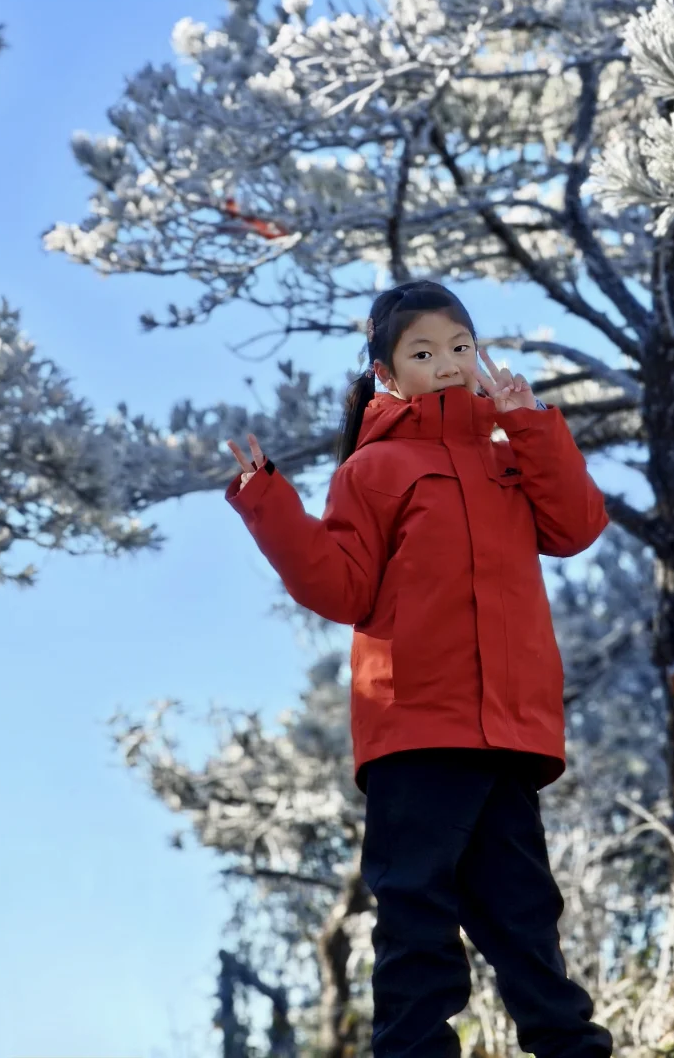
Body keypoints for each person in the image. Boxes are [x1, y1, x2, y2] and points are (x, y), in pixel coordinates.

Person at [225, 279, 613, 1058]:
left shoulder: (512, 456)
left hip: (508, 728)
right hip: (416, 727)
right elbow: (340, 586)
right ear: (386, 374)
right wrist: (267, 503)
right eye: (424, 352)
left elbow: (576, 526)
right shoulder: (374, 469)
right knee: (416, 915)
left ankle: (572, 1049)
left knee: (525, 913)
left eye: (460, 348)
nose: (447, 364)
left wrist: (531, 425)